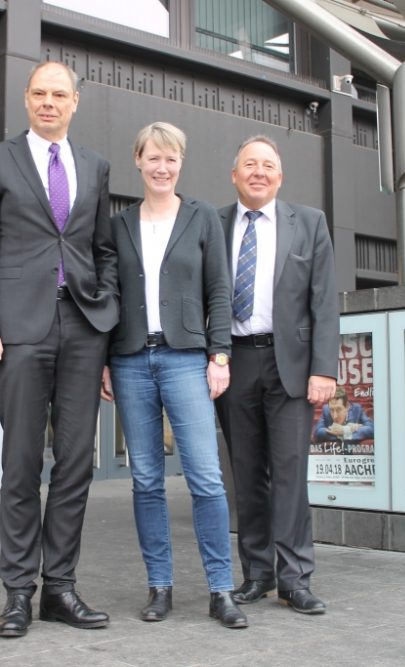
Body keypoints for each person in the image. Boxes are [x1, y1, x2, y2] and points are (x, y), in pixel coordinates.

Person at [0, 61, 119, 639]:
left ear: (75, 101)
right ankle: (18, 593)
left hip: (82, 327)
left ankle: (61, 588)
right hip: (20, 329)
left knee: (77, 463)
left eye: (59, 94)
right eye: (39, 94)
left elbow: (104, 249)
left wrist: (107, 315)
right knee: (21, 462)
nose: (49, 102)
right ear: (26, 100)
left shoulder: (96, 167)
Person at [100, 122, 247, 629]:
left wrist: (220, 355)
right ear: (137, 161)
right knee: (145, 480)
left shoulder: (202, 217)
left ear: (180, 163)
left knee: (206, 478)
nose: (162, 167)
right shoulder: (119, 225)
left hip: (187, 358)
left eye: (171, 159)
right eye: (153, 158)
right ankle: (159, 585)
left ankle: (220, 589)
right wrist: (103, 358)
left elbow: (219, 291)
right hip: (131, 361)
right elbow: (109, 297)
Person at [215, 135, 338, 615]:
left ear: (280, 177)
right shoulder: (213, 223)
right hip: (233, 363)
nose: (259, 172)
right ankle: (257, 573)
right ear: (235, 174)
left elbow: (324, 302)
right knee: (246, 476)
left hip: (292, 366)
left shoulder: (309, 223)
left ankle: (295, 578)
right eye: (250, 164)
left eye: (268, 165)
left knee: (290, 475)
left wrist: (323, 369)